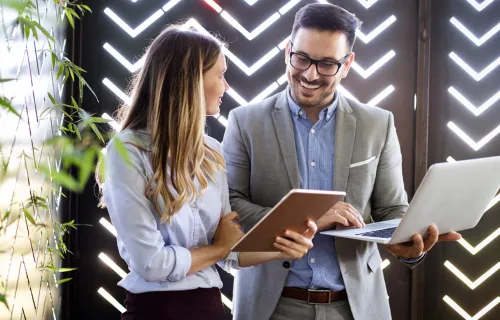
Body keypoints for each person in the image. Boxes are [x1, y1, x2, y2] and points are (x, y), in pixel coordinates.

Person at [222, 3, 461, 320]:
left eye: (327, 65)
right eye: (302, 58)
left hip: (356, 308)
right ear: (287, 51)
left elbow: (391, 210)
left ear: (348, 64)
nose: (310, 74)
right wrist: (311, 218)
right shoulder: (245, 121)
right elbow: (229, 208)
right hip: (271, 307)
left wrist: (409, 244)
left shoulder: (378, 124)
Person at [97, 25, 317, 320]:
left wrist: (282, 248)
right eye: (220, 75)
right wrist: (218, 249)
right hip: (156, 312)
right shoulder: (127, 153)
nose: (226, 86)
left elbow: (231, 252)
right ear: (188, 81)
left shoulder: (211, 151)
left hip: (211, 309)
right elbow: (150, 263)